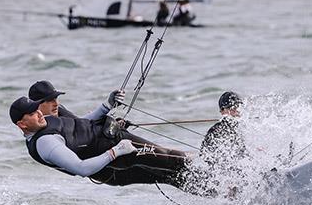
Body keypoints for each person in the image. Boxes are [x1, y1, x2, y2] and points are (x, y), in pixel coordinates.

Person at [10, 96, 198, 190]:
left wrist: (106, 106)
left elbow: (81, 125)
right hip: (117, 155)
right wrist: (116, 151)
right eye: (33, 114)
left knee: (171, 177)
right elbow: (81, 168)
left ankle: (216, 193)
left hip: (113, 152)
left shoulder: (46, 122)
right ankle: (215, 168)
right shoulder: (45, 143)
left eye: (38, 109)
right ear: (22, 124)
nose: (40, 113)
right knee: (172, 158)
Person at [28, 80, 123, 120]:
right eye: (49, 100)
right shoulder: (39, 133)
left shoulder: (60, 111)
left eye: (56, 98)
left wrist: (108, 105)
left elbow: (80, 122)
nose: (56, 104)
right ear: (36, 106)